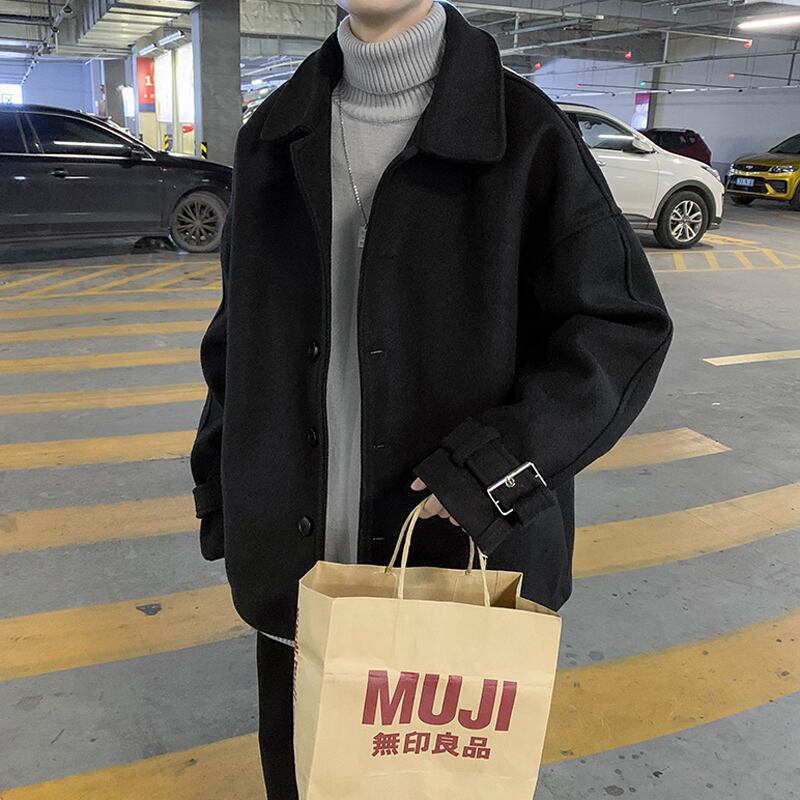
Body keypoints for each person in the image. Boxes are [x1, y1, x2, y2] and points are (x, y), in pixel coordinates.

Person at [189, 0, 673, 797]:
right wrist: (223, 490)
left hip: (458, 564)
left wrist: (494, 468)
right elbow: (238, 338)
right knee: (303, 781)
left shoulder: (524, 132)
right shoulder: (274, 133)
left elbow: (621, 327)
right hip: (299, 570)